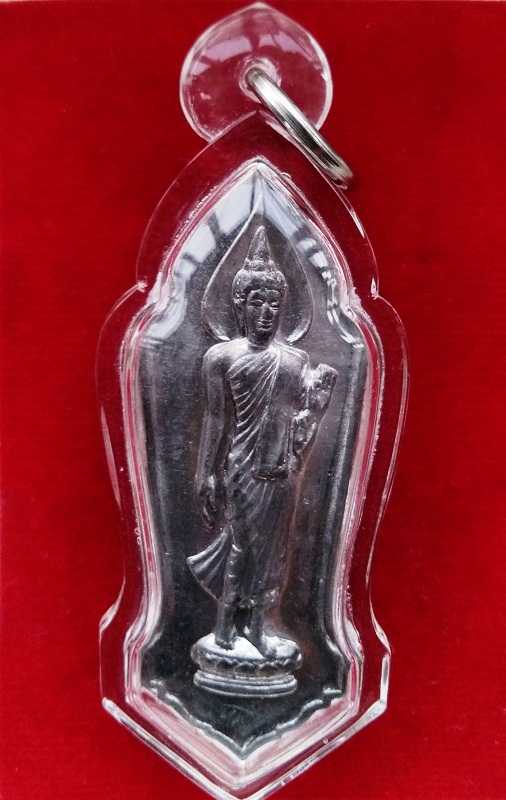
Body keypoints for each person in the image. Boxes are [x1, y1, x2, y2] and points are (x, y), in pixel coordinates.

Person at [188, 226, 336, 658]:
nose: (267, 312)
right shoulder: (221, 357)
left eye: (274, 302)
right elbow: (216, 418)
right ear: (240, 304)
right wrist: (206, 474)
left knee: (273, 554)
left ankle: (255, 627)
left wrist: (318, 398)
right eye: (257, 302)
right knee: (244, 546)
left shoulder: (295, 359)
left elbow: (301, 418)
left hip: (281, 469)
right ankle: (224, 627)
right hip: (243, 466)